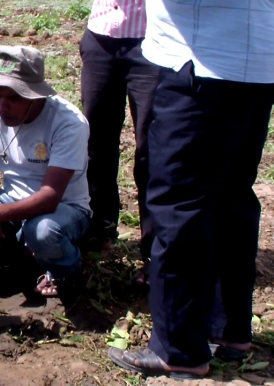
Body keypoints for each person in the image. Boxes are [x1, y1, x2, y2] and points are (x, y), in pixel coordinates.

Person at [108, 0, 274, 379]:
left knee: (179, 204)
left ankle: (178, 348)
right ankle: (229, 330)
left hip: (202, 64)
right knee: (232, 198)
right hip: (255, 61)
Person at [0, 45, 92, 297]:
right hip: (11, 202)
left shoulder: (68, 123)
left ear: (35, 95)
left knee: (42, 232)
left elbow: (50, 196)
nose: (2, 105)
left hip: (62, 210)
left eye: (13, 97)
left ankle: (64, 270)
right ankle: (12, 260)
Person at [79, 0, 159, 275]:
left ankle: (156, 250)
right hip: (101, 33)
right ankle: (100, 230)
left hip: (153, 38)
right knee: (95, 142)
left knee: (152, 149)